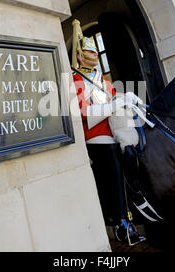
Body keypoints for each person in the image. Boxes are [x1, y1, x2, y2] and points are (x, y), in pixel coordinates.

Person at [71, 31, 146, 246]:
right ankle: (120, 223)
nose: (93, 55)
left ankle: (136, 210)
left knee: (135, 154)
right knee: (113, 164)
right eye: (88, 52)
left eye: (95, 51)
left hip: (113, 130)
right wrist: (115, 104)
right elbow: (84, 112)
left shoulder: (102, 80)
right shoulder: (77, 79)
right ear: (79, 55)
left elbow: (113, 98)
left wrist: (126, 100)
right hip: (95, 135)